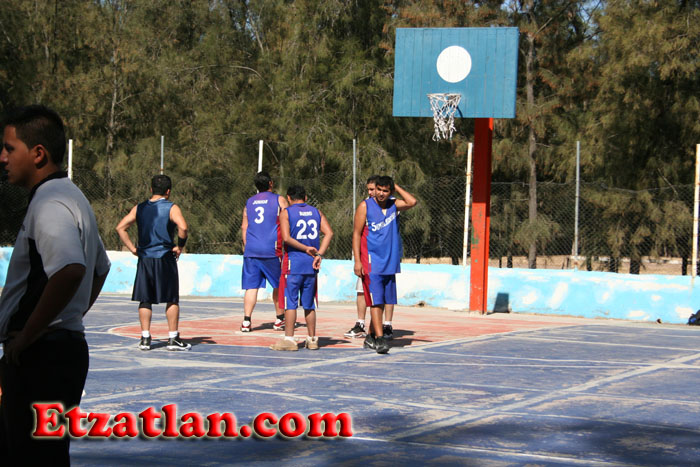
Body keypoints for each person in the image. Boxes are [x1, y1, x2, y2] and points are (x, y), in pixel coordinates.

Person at [0, 105, 111, 465]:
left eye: (9, 148)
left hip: (40, 358)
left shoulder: (50, 202)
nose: (2, 157)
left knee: (31, 456)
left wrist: (28, 336)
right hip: (56, 351)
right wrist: (68, 316)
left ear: (38, 154)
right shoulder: (71, 195)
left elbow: (70, 270)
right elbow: (100, 269)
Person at [115, 174, 191, 351]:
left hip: (145, 258)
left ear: (151, 189)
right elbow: (183, 227)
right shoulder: (171, 207)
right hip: (165, 257)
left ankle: (145, 338)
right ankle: (173, 338)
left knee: (145, 298)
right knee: (171, 298)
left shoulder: (139, 208)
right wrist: (180, 246)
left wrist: (133, 249)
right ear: (168, 191)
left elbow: (120, 227)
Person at [352, 175, 417, 354]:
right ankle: (380, 339)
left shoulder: (394, 205)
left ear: (390, 191)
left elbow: (412, 202)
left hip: (389, 261)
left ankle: (370, 337)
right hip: (371, 260)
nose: (380, 193)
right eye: (378, 189)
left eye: (385, 190)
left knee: (383, 301)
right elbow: (356, 234)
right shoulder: (365, 206)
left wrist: (396, 186)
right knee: (375, 301)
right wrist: (357, 261)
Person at [270, 185, 333, 351]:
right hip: (311, 264)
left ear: (288, 198)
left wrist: (305, 249)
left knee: (290, 302)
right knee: (309, 303)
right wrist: (319, 254)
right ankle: (312, 339)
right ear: (305, 198)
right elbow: (329, 233)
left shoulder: (286, 213)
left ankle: (289, 340)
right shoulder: (316, 212)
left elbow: (286, 238)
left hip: (293, 263)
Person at [240, 171, 288, 332]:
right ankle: (279, 319)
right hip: (271, 249)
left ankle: (246, 321)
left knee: (251, 287)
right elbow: (288, 221)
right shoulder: (279, 200)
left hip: (251, 250)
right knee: (279, 284)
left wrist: (247, 245)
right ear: (271, 183)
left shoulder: (249, 202)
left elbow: (244, 226)